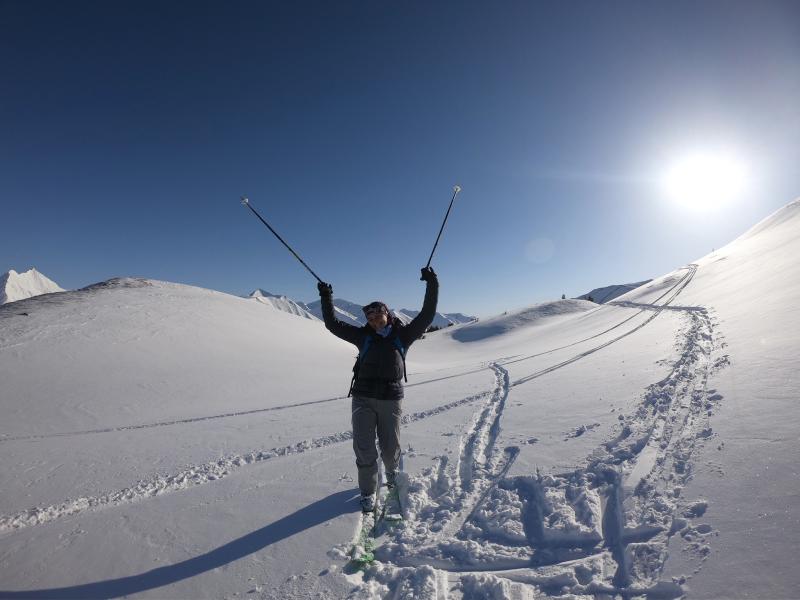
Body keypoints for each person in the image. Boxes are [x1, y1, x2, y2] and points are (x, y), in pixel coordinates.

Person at [317, 267, 438, 512]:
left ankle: (392, 472)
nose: (374, 321)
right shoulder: (363, 336)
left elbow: (427, 315)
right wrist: (326, 297)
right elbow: (332, 324)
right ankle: (368, 491)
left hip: (391, 399)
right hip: (362, 397)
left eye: (378, 317)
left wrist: (431, 282)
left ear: (387, 314)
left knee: (390, 446)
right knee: (363, 447)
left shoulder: (402, 335)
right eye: (370, 319)